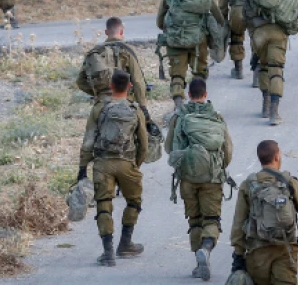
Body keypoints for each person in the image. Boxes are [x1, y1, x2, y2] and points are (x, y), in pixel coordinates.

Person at [78, 70, 148, 267]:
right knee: (134, 202)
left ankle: (108, 253)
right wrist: (135, 164)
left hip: (103, 164)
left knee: (104, 204)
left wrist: (83, 168)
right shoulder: (135, 110)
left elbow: (88, 140)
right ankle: (125, 244)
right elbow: (143, 144)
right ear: (130, 87)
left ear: (110, 86)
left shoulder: (99, 108)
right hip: (127, 163)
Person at [165, 78, 233, 281]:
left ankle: (198, 262)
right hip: (212, 177)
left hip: (187, 177)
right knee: (211, 219)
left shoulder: (179, 117)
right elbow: (227, 149)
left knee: (195, 220)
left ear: (188, 95)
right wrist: (219, 168)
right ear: (205, 94)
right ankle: (207, 247)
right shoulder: (216, 116)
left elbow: (170, 148)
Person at [230, 139, 298, 285]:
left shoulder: (249, 185)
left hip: (257, 252)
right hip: (286, 250)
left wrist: (238, 253)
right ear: (277, 156)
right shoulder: (289, 182)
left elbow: (238, 222)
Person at [241, 0, 298, 125]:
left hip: (259, 33)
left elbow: (244, 12)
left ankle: (265, 104)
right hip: (278, 31)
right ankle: (274, 112)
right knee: (276, 69)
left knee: (263, 66)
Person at [156, 0, 225, 109]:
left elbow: (160, 21)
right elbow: (217, 16)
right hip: (198, 40)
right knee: (200, 73)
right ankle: (198, 103)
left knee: (177, 75)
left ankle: (178, 105)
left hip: (176, 39)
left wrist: (170, 29)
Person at [76, 17, 150, 116]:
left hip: (101, 104)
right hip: (125, 101)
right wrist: (143, 107)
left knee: (92, 130)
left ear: (106, 32)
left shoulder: (95, 52)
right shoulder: (128, 50)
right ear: (122, 31)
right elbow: (137, 81)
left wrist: (98, 93)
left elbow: (80, 81)